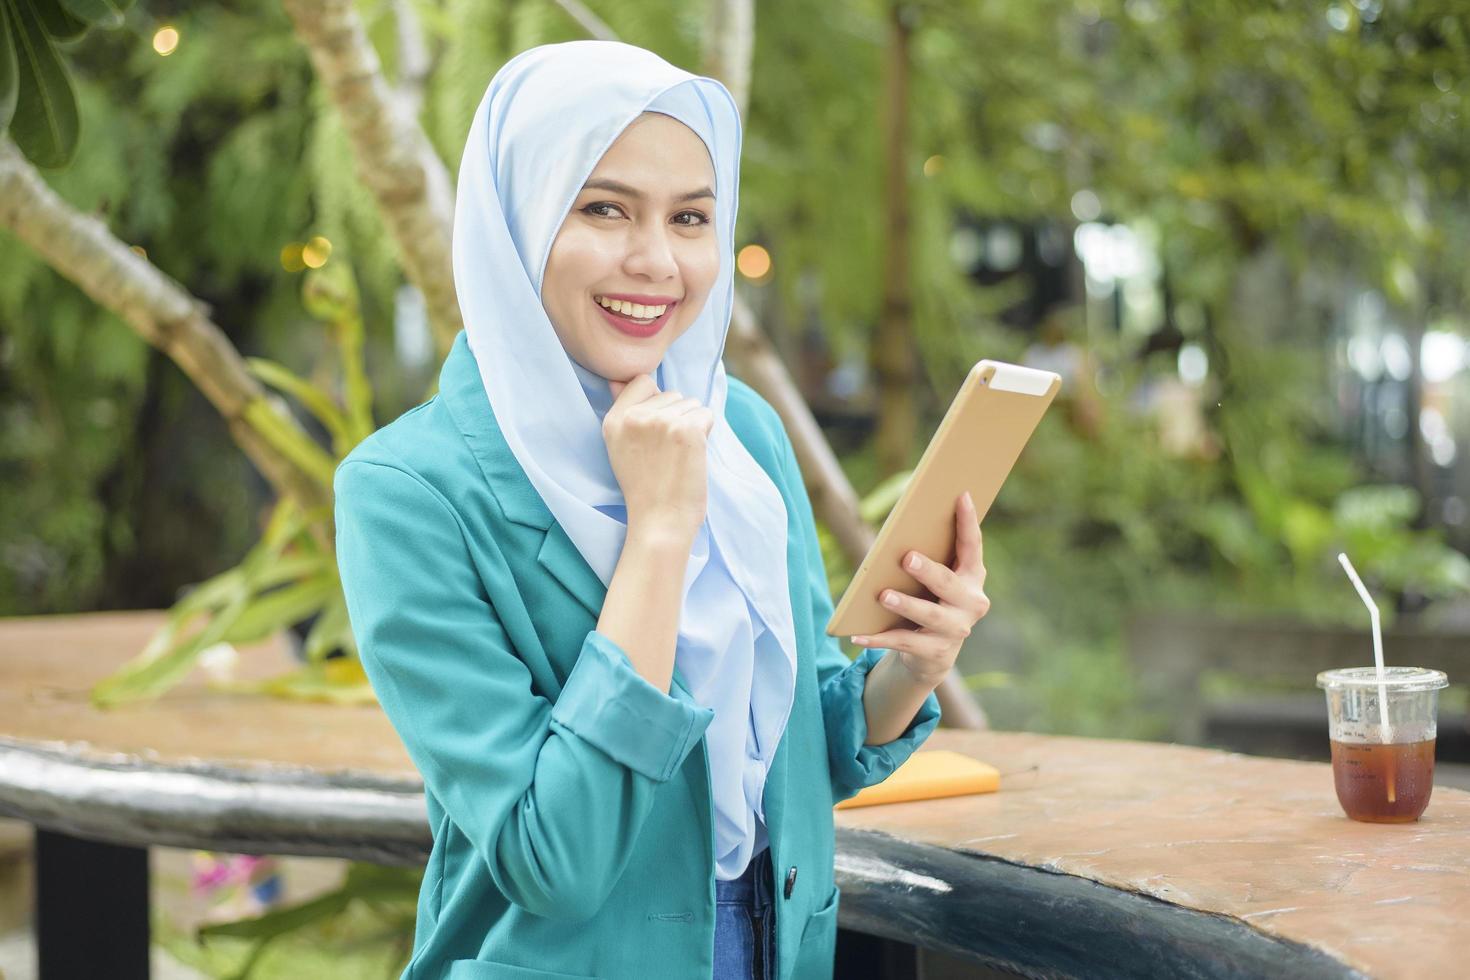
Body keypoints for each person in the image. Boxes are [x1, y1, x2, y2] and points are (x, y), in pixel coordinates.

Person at [333, 40, 991, 980]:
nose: (657, 262)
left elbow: (799, 753)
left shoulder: (740, 434)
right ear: (519, 218)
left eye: (691, 218)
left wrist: (913, 666)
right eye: (604, 208)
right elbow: (553, 857)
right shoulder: (409, 491)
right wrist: (660, 533)